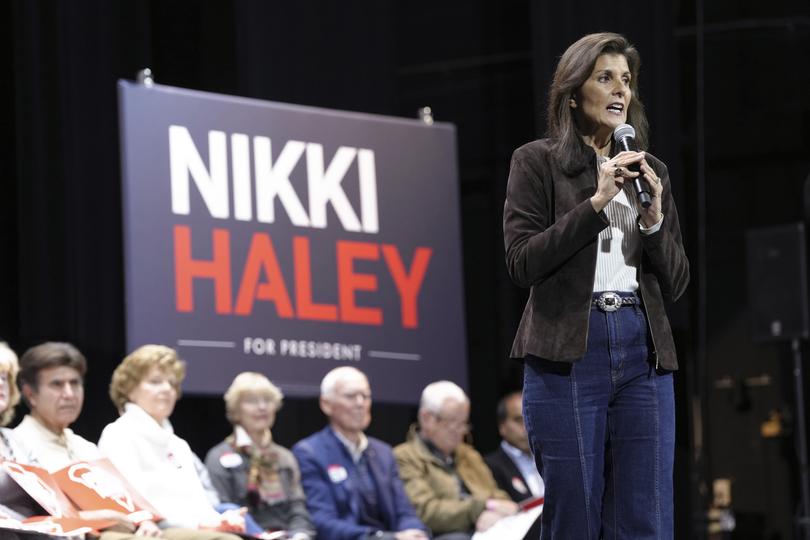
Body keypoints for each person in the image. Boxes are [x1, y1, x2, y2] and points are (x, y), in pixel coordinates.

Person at [502, 32, 689, 539]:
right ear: (572, 92)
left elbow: (676, 281)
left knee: (646, 517)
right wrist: (595, 205)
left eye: (626, 81)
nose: (619, 91)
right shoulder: (536, 162)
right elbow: (522, 262)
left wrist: (651, 221)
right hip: (567, 350)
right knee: (575, 519)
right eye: (604, 77)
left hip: (642, 350)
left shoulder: (653, 173)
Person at [97, 344, 245, 539]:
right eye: (155, 381)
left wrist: (221, 520)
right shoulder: (118, 433)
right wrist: (202, 524)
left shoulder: (178, 444)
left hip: (190, 528)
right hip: (152, 531)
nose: (167, 389)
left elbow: (199, 503)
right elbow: (130, 502)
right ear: (129, 390)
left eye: (172, 383)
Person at [292, 366, 428, 540]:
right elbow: (322, 521)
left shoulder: (384, 453)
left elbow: (405, 511)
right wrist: (384, 538)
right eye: (350, 396)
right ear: (326, 404)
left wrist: (415, 532)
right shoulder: (309, 453)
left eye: (366, 396)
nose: (360, 403)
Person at [393, 381, 517, 539]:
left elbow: (501, 498)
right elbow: (426, 512)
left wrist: (493, 512)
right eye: (453, 422)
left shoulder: (469, 455)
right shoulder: (404, 457)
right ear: (427, 419)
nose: (461, 431)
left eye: (464, 423)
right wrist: (481, 508)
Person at [205, 372, 315, 540]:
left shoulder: (285, 457)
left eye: (267, 400)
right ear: (236, 409)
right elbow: (222, 511)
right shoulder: (219, 457)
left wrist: (300, 535)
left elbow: (297, 508)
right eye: (252, 401)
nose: (262, 407)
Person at [484, 391, 544, 503]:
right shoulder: (488, 466)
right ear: (502, 427)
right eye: (518, 420)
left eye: (531, 419)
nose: (527, 427)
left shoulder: (550, 458)